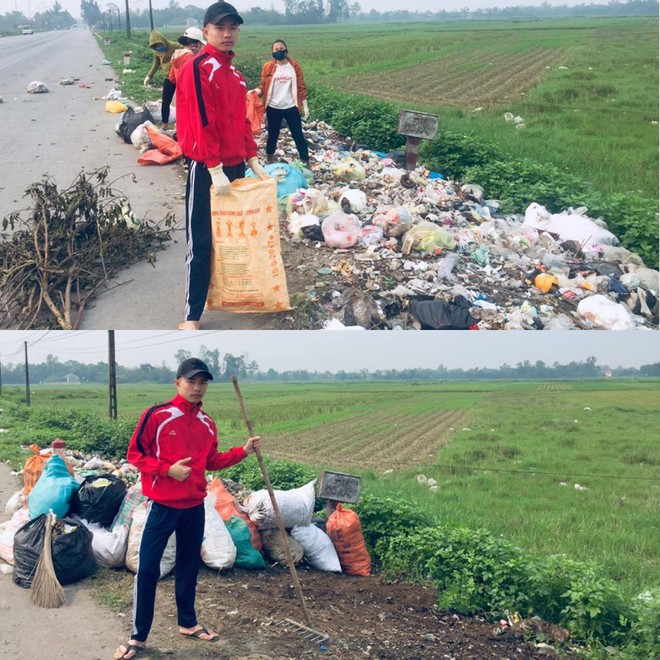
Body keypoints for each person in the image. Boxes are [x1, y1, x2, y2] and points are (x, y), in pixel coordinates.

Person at [113, 357, 262, 660]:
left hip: (195, 506)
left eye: (203, 382)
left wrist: (243, 452)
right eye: (191, 381)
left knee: (188, 566)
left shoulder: (207, 423)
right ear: (177, 382)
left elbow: (211, 461)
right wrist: (167, 470)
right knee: (148, 569)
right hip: (163, 506)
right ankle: (138, 636)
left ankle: (188, 623)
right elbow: (134, 454)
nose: (197, 388)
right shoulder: (157, 416)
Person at [175, 2, 270, 331]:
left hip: (235, 168)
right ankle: (191, 315)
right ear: (206, 32)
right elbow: (204, 122)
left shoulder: (235, 74)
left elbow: (243, 121)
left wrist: (252, 158)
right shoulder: (197, 67)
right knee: (200, 242)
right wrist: (214, 169)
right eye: (220, 28)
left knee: (231, 240)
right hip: (207, 169)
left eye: (233, 28)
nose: (227, 34)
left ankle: (233, 296)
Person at [254, 40, 310, 166]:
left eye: (281, 48)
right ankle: (269, 158)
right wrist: (255, 91)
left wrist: (305, 105)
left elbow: (301, 86)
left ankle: (306, 161)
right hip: (273, 107)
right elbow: (263, 86)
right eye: (276, 49)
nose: (278, 51)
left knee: (298, 135)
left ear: (286, 50)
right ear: (272, 52)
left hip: (291, 107)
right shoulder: (268, 67)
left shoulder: (294, 66)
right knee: (272, 134)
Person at [144, 30, 179, 130]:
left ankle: (183, 122)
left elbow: (188, 53)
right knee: (165, 102)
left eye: (159, 45)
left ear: (163, 41)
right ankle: (165, 123)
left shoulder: (175, 46)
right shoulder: (157, 51)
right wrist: (149, 76)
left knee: (182, 101)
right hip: (168, 78)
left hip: (180, 77)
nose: (159, 47)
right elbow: (156, 63)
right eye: (156, 46)